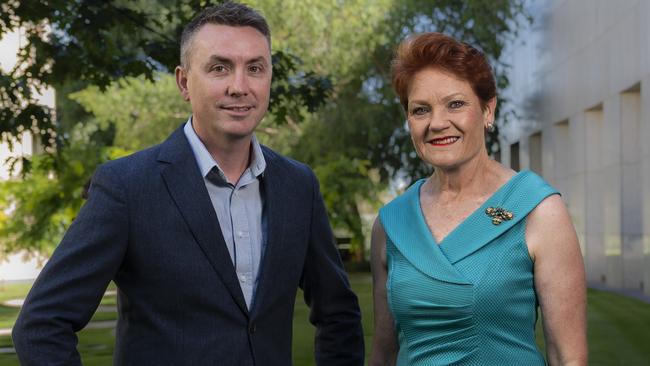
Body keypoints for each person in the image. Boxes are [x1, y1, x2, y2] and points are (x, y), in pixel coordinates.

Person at [12, 2, 364, 365]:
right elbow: (41, 325)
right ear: (184, 82)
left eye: (255, 68)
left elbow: (338, 315)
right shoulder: (128, 188)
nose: (239, 86)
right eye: (219, 68)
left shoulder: (298, 186)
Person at [369, 33, 587, 366]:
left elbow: (568, 358)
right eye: (421, 110)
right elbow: (384, 354)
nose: (438, 123)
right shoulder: (391, 223)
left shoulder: (538, 210)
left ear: (488, 109)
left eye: (455, 104)